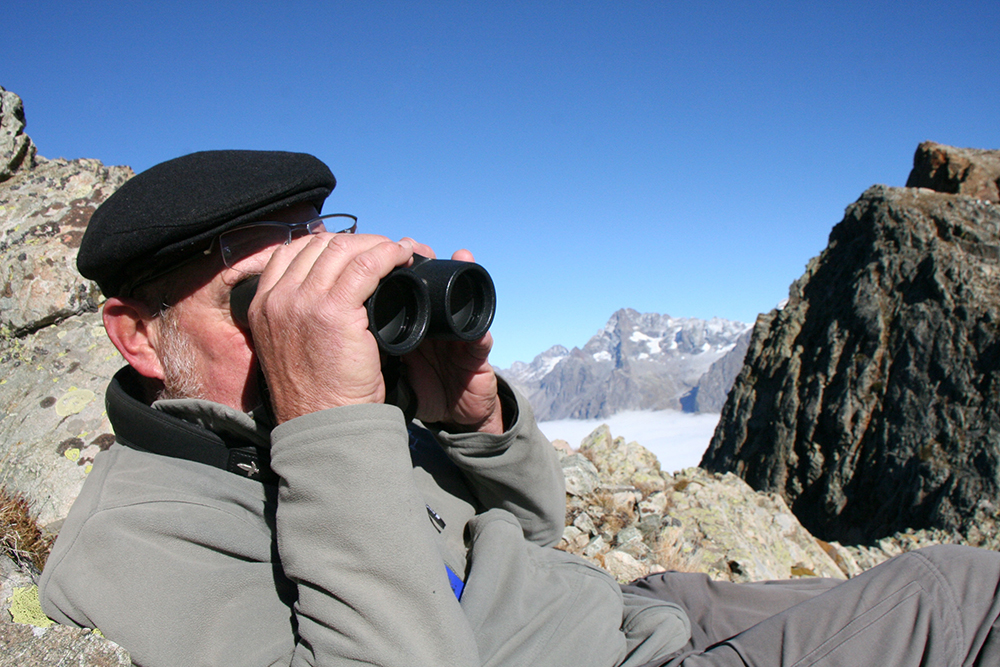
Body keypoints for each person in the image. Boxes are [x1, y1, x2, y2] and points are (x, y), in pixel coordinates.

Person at [39, 150, 1000, 667]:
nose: (302, 319)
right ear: (136, 335)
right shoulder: (138, 550)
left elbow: (534, 527)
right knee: (965, 593)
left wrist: (469, 417)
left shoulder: (297, 421)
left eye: (313, 270)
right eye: (260, 299)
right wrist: (332, 421)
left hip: (640, 609)